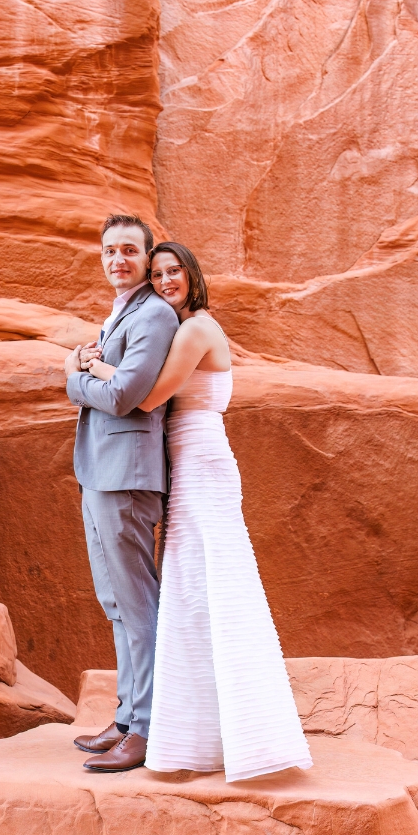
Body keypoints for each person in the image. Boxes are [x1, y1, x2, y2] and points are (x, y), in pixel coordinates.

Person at [86, 242, 312, 782]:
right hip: (187, 458)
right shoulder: (186, 325)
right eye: (158, 273)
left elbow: (143, 398)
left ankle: (220, 730)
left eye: (174, 272)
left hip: (201, 460)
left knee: (210, 585)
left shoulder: (194, 330)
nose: (165, 281)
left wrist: (96, 365)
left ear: (192, 275)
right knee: (191, 588)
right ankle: (185, 727)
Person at [64, 215, 179, 773]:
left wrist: (76, 373)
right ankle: (130, 716)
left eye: (129, 251)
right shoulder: (121, 312)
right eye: (110, 251)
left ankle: (151, 728)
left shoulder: (154, 314)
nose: (118, 260)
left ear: (146, 256)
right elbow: (95, 385)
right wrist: (87, 372)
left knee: (136, 603)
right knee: (116, 602)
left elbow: (127, 394)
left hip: (127, 478)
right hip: (100, 473)